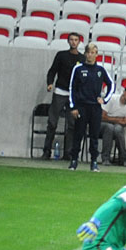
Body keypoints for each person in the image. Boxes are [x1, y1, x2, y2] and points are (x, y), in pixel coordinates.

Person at [68, 43, 114, 172]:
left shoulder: (100, 69)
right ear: (85, 54)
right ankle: (74, 160)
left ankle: (94, 161)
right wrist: (73, 106)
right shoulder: (78, 69)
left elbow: (111, 85)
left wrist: (104, 100)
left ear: (96, 54)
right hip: (81, 107)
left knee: (94, 135)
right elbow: (72, 88)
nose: (90, 55)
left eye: (93, 52)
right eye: (88, 52)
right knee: (78, 134)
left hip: (95, 108)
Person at [42, 32, 84, 160]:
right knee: (52, 123)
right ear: (68, 41)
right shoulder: (61, 55)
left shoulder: (82, 59)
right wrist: (50, 83)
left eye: (76, 40)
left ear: (79, 42)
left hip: (74, 95)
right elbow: (52, 70)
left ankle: (68, 153)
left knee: (72, 125)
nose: (73, 42)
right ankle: (47, 151)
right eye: (71, 39)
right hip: (60, 91)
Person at [100, 84, 126, 167]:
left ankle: (123, 159)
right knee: (109, 127)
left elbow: (125, 123)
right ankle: (105, 158)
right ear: (124, 92)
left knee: (118, 129)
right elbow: (102, 117)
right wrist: (118, 119)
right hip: (101, 125)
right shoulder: (112, 98)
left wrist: (110, 118)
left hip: (117, 126)